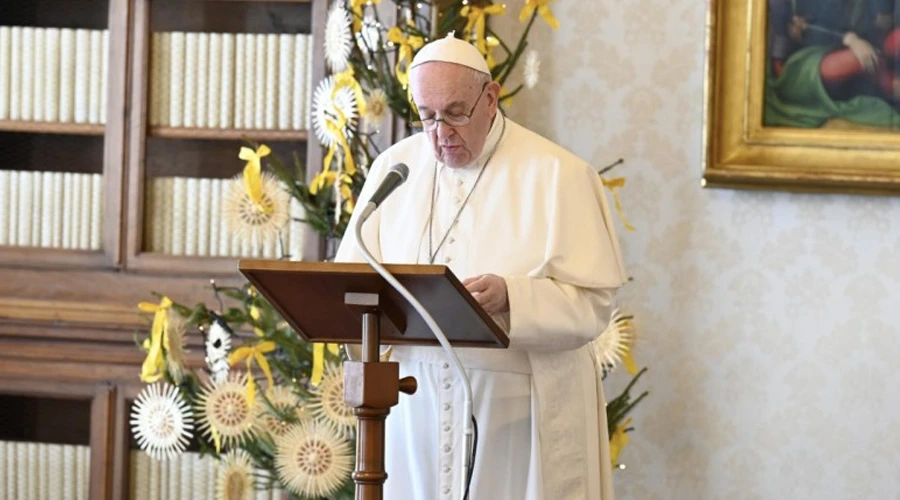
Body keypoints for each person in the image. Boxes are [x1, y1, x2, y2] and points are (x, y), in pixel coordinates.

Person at [336, 33, 628, 500]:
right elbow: (351, 288)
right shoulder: (396, 169)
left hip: (518, 417)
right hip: (418, 410)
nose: (440, 133)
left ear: (489, 99)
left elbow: (592, 307)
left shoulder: (558, 175)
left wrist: (514, 297)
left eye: (455, 113)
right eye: (427, 117)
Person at [765, 0, 900, 128]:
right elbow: (800, 32)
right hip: (803, 65)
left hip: (857, 48)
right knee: (863, 59)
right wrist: (848, 39)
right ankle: (891, 86)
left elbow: (880, 24)